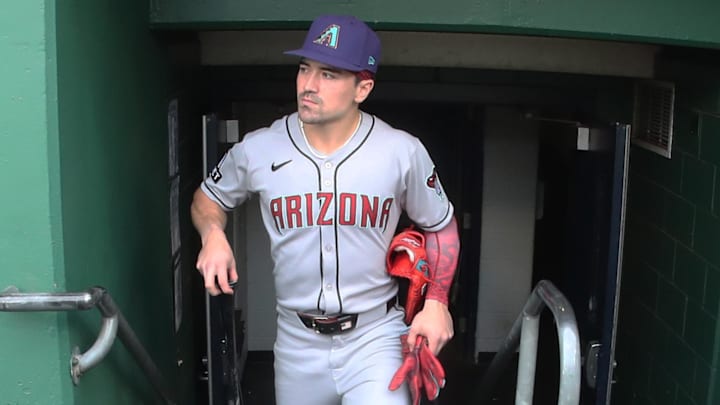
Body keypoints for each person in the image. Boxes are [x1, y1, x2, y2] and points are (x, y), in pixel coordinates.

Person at [191, 14, 460, 405]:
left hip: (374, 337)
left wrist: (437, 304)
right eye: (305, 69)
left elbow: (441, 225)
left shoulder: (401, 151)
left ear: (362, 88)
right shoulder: (258, 148)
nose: (309, 85)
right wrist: (212, 234)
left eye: (329, 74)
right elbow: (206, 198)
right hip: (297, 344)